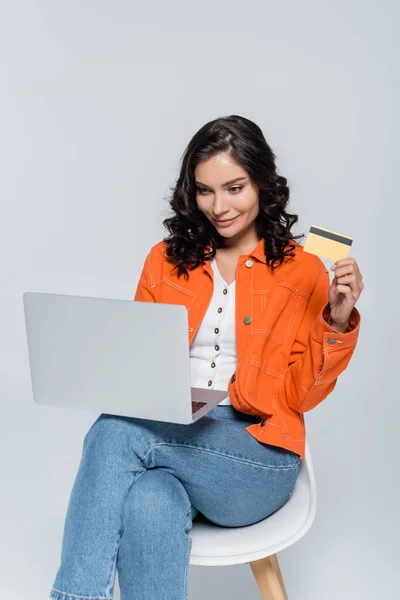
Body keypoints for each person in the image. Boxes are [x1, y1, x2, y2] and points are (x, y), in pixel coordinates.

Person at [49, 114, 363, 600]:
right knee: (149, 501)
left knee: (114, 430)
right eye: (205, 191)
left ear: (261, 181)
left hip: (256, 455)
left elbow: (305, 394)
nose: (220, 207)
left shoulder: (303, 271)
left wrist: (337, 324)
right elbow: (137, 371)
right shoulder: (164, 260)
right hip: (172, 430)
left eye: (234, 188)